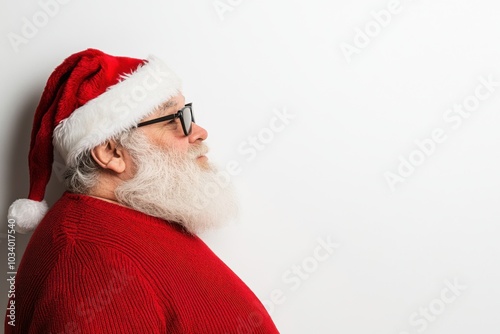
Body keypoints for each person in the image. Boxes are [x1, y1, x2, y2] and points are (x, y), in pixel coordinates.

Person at [5, 48, 279, 333]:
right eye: (173, 119)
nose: (198, 131)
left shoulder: (130, 218)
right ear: (111, 153)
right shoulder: (91, 263)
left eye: (186, 113)